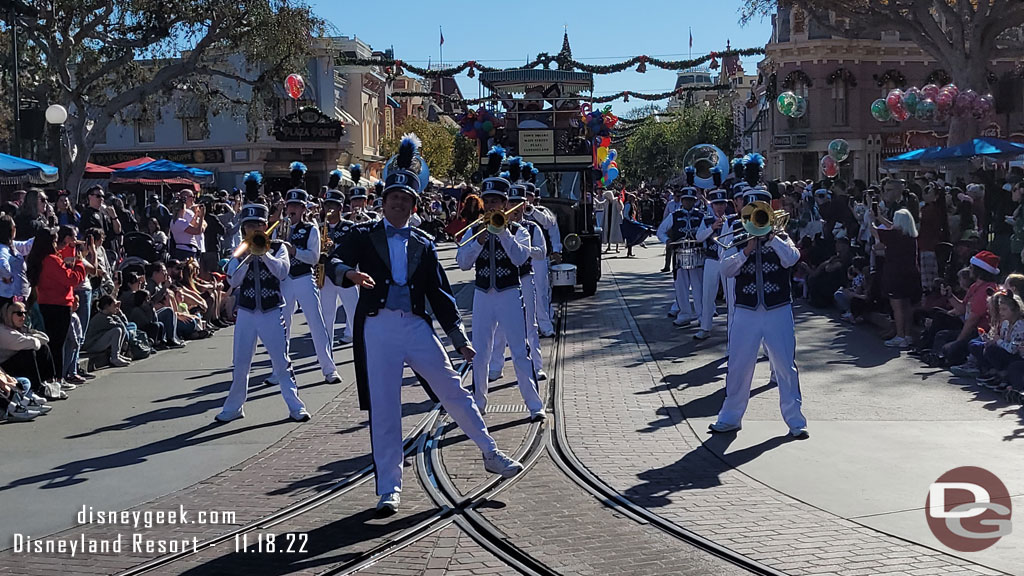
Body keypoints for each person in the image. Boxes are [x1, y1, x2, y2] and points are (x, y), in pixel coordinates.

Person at [327, 134, 523, 513]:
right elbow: (333, 261)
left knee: (453, 390)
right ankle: (389, 488)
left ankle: (489, 451)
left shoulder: (423, 242)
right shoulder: (362, 235)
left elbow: (441, 295)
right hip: (377, 327)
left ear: (415, 206)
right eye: (393, 199)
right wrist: (350, 273)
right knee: (385, 409)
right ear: (383, 202)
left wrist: (459, 339)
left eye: (406, 200)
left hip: (416, 326)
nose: (399, 204)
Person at [709, 154, 807, 438]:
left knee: (785, 366)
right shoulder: (736, 232)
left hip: (778, 308)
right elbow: (726, 269)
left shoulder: (780, 232)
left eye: (761, 206)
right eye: (752, 206)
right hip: (746, 311)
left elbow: (792, 259)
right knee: (739, 365)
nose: (756, 211)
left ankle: (796, 421)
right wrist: (748, 248)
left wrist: (772, 238)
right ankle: (730, 417)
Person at [456, 158, 545, 420]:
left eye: (497, 201)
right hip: (483, 296)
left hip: (509, 294)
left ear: (506, 204)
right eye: (489, 201)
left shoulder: (519, 230)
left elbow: (520, 258)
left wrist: (502, 232)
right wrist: (480, 240)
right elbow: (462, 263)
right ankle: (479, 403)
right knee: (480, 352)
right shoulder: (473, 230)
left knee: (519, 350)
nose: (493, 205)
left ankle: (535, 405)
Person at [215, 201, 311, 424]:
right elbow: (233, 280)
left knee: (282, 362)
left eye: (258, 224)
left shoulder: (279, 247)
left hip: (271, 311)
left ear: (265, 225)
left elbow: (282, 272)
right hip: (247, 312)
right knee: (240, 362)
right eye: (249, 226)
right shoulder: (239, 250)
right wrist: (248, 257)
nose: (254, 229)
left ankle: (296, 406)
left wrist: (264, 253)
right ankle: (234, 407)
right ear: (244, 228)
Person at [277, 188, 341, 384]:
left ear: (304, 209)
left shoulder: (310, 229)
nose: (292, 209)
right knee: (281, 326)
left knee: (316, 323)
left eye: (297, 206)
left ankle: (329, 369)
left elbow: (314, 258)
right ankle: (279, 369)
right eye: (290, 205)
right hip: (286, 279)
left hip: (304, 278)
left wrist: (294, 251)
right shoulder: (279, 229)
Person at [489, 171, 548, 382]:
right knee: (499, 328)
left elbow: (543, 253)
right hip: (505, 282)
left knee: (530, 325)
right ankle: (495, 366)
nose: (514, 207)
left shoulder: (531, 228)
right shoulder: (497, 225)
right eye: (511, 202)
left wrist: (525, 249)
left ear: (524, 204)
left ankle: (537, 366)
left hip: (524, 278)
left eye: (518, 202)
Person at [26, 226, 86, 385]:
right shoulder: (52, 260)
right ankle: (57, 378)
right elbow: (72, 279)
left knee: (53, 342)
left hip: (47, 302)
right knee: (57, 344)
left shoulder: (42, 259)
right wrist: (79, 263)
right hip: (58, 304)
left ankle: (54, 377)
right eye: (54, 240)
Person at [872, 209, 921, 348]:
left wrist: (870, 219)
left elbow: (875, 231)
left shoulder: (895, 235)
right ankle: (908, 335)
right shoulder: (911, 236)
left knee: (897, 307)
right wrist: (880, 217)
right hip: (911, 275)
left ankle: (900, 336)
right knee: (907, 306)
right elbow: (891, 226)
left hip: (896, 275)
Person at [657, 186, 704, 327]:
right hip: (679, 255)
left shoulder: (701, 216)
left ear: (695, 201)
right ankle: (685, 314)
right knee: (681, 287)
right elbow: (661, 231)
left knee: (698, 287)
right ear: (681, 201)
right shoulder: (674, 215)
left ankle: (702, 315)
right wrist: (667, 241)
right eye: (686, 200)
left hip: (697, 255)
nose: (688, 203)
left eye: (691, 200)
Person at [319, 187, 359, 346]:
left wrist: (334, 247)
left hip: (346, 275)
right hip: (327, 276)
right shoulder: (321, 228)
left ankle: (360, 344)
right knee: (327, 314)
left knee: (354, 312)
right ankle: (326, 347)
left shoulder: (349, 227)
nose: (329, 209)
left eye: (333, 206)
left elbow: (354, 249)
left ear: (341, 208)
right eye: (327, 205)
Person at [694, 179, 732, 340]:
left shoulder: (732, 220)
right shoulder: (707, 220)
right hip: (711, 259)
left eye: (722, 204)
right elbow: (698, 237)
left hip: (727, 261)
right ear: (712, 205)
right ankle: (705, 326)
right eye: (717, 204)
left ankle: (732, 329)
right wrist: (712, 228)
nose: (720, 207)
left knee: (731, 297)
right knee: (708, 294)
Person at [524, 183, 561, 337]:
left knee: (541, 292)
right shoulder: (513, 213)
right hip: (520, 257)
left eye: (528, 195)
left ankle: (545, 326)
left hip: (539, 257)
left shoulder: (542, 211)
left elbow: (551, 227)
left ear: (534, 197)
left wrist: (557, 250)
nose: (525, 199)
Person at [83, 295, 132, 368]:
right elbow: (121, 327)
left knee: (119, 330)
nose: (116, 307)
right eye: (114, 305)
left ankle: (118, 354)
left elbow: (125, 325)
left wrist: (119, 312)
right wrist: (118, 313)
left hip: (98, 341)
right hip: (92, 345)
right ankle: (115, 357)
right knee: (117, 331)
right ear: (107, 306)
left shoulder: (109, 316)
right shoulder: (103, 318)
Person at [0, 214, 33, 307]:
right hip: (9, 298)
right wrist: (8, 277)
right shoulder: (2, 249)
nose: (15, 228)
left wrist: (42, 235)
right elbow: (2, 264)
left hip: (18, 297)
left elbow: (26, 246)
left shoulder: (12, 245)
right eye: (14, 226)